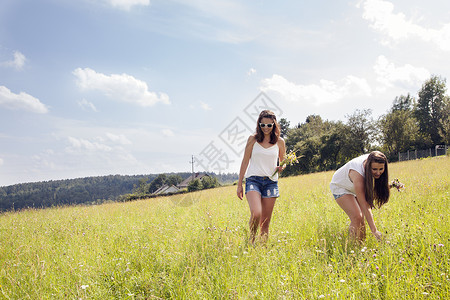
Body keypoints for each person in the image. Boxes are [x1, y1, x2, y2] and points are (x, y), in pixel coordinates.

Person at [237, 110, 286, 244]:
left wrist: (281, 168)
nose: (265, 128)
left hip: (271, 182)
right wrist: (239, 183)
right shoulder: (252, 139)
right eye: (262, 125)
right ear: (258, 124)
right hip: (253, 180)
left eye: (269, 125)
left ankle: (262, 250)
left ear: (274, 125)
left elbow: (283, 162)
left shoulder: (280, 142)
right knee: (257, 213)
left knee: (265, 221)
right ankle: (251, 241)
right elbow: (245, 161)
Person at [330, 151, 391, 242]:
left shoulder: (374, 158)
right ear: (368, 165)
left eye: (381, 169)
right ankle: (353, 247)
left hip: (352, 185)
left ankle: (361, 246)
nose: (378, 173)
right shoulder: (358, 174)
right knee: (357, 216)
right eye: (374, 169)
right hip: (340, 186)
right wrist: (374, 231)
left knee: (361, 219)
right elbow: (365, 205)